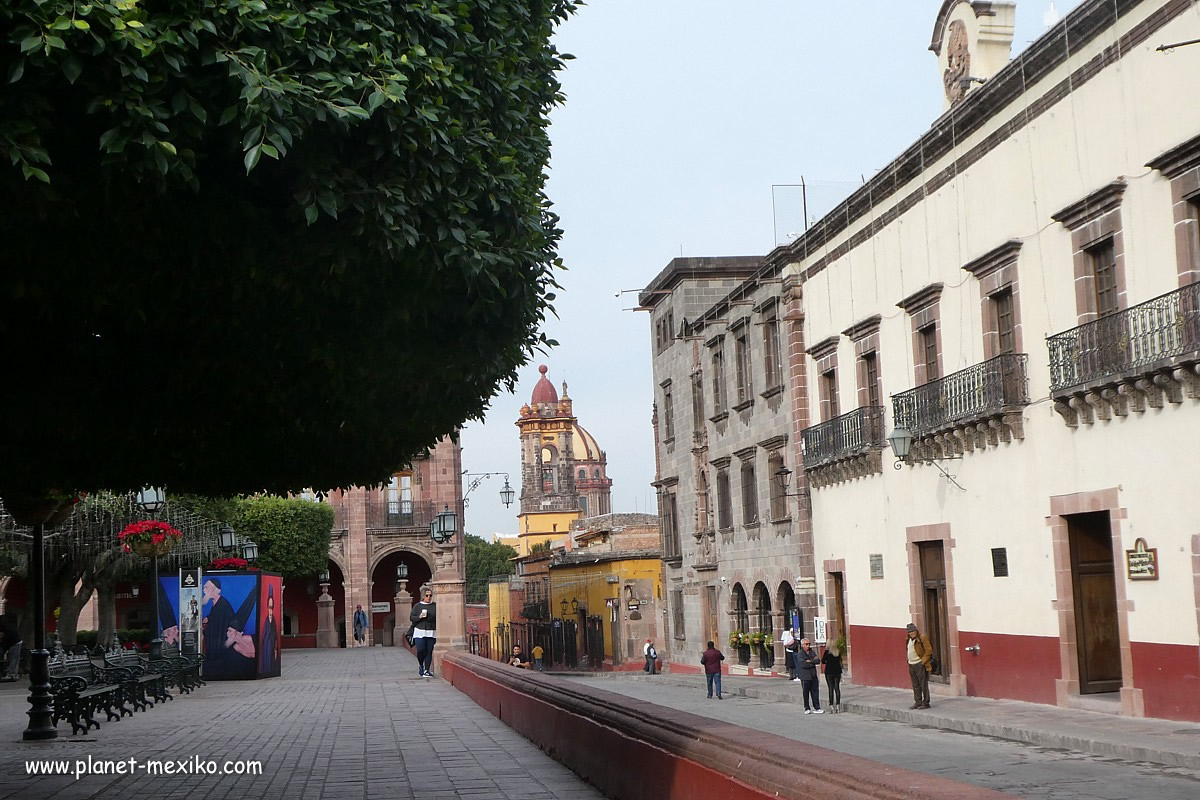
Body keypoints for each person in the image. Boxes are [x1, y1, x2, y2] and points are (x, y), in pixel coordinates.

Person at [410, 588, 437, 678]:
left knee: (429, 651)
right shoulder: (417, 606)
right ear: (423, 596)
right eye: (426, 595)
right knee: (421, 650)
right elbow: (412, 618)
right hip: (419, 631)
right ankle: (421, 664)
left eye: (430, 595)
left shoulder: (434, 606)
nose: (428, 597)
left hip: (431, 631)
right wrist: (419, 617)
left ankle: (427, 670)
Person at [906, 622, 933, 709]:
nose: (911, 633)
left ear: (916, 630)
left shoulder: (922, 637)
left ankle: (926, 702)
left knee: (923, 684)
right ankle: (918, 702)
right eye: (909, 632)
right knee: (915, 684)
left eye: (913, 631)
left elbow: (928, 650)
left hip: (919, 664)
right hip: (911, 664)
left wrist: (923, 662)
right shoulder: (908, 639)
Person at [796, 637, 823, 714]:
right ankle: (807, 708)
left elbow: (817, 660)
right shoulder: (800, 654)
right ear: (802, 645)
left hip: (813, 675)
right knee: (806, 692)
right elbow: (803, 664)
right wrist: (812, 662)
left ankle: (817, 707)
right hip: (805, 676)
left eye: (809, 644)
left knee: (815, 692)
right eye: (806, 644)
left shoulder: (812, 652)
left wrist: (810, 661)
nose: (808, 646)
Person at [260, 585, 280, 676]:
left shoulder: (274, 621)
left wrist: (275, 649)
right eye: (269, 608)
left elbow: (275, 636)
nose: (270, 612)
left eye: (272, 608)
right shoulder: (265, 622)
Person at [821, 640, 843, 713]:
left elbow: (823, 661)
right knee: (837, 688)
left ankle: (831, 706)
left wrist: (828, 661)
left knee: (830, 688)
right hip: (837, 671)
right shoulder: (837, 652)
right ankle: (838, 705)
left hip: (829, 672)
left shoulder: (827, 652)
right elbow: (840, 660)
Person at [0, 613, 21, 682]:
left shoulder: (4, 622)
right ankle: (12, 674)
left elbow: (11, 633)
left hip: (14, 641)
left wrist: (3, 638)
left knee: (13, 658)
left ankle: (12, 674)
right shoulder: (4, 621)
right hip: (10, 641)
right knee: (14, 658)